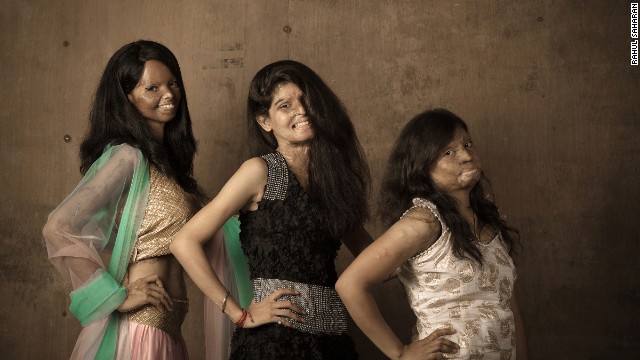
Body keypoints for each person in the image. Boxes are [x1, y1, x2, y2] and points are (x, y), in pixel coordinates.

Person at [171, 60, 372, 359]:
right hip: (274, 342)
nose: (301, 111)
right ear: (265, 121)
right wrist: (238, 314)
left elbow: (373, 254)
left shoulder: (332, 179)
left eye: (306, 101)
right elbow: (183, 241)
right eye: (285, 105)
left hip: (334, 341)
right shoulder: (261, 171)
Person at [43, 40, 203, 359]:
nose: (169, 94)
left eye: (172, 83)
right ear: (127, 98)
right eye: (152, 88)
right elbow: (58, 227)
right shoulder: (126, 156)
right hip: (138, 330)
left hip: (167, 330)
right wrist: (116, 296)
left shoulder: (166, 165)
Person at [336, 109, 529, 359]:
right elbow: (350, 285)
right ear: (422, 167)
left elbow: (508, 307)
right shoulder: (424, 221)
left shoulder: (491, 223)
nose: (466, 155)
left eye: (467, 144)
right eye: (448, 152)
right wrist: (400, 353)